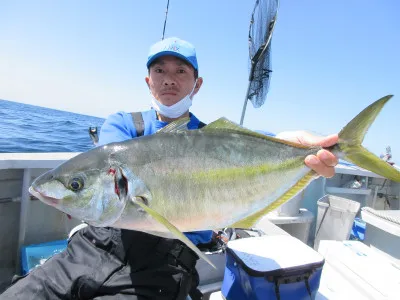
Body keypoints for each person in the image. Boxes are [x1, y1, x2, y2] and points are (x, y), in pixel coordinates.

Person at [0, 37, 338, 300]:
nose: (169, 80)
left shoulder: (214, 137)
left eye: (180, 72)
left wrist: (293, 146)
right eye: (159, 71)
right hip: (94, 246)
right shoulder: (122, 126)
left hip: (165, 266)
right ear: (148, 80)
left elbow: (255, 146)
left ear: (197, 83)